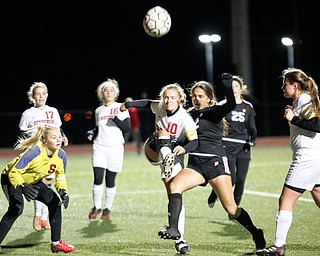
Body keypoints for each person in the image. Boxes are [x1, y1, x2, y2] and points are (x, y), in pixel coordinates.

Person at [158, 73, 266, 251]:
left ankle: (256, 233)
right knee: (174, 186)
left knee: (231, 209)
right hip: (196, 166)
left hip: (215, 163)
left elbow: (231, 104)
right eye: (194, 96)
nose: (196, 99)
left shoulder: (215, 112)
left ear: (209, 98)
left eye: (200, 96)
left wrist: (227, 85)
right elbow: (182, 138)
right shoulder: (187, 115)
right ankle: (174, 229)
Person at [120, 83, 198, 254]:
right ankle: (179, 238)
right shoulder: (160, 106)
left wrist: (184, 148)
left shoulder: (185, 118)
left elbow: (195, 141)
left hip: (175, 157)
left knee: (174, 196)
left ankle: (179, 238)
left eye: (172, 97)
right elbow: (146, 103)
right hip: (161, 151)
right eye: (166, 97)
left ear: (180, 99)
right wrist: (128, 104)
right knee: (173, 197)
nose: (168, 100)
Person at [256, 68, 320, 256]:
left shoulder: (304, 99)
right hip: (314, 157)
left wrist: (294, 118)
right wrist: (294, 117)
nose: (282, 87)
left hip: (307, 158)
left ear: (295, 85)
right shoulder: (300, 100)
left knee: (285, 200)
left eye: (285, 83)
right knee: (317, 194)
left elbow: (317, 126)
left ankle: (278, 245)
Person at [0, 125, 75, 253]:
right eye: (53, 137)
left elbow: (61, 176)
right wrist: (23, 187)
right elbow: (14, 173)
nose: (58, 140)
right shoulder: (35, 152)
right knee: (16, 209)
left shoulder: (61, 155)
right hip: (11, 178)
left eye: (59, 137)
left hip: (33, 181)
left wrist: (63, 191)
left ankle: (56, 243)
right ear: (45, 141)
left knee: (55, 202)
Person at [18, 82, 69, 231]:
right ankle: (37, 215)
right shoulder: (27, 114)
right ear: (33, 96)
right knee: (38, 182)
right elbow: (22, 133)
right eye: (37, 94)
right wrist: (29, 147)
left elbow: (58, 129)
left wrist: (63, 137)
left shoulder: (53, 111)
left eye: (43, 94)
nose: (40, 96)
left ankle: (45, 217)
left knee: (48, 182)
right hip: (36, 153)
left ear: (47, 95)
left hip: (50, 153)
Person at [207, 75, 257, 209]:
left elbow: (252, 128)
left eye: (236, 86)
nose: (234, 89)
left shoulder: (248, 107)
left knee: (240, 181)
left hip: (243, 147)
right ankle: (215, 193)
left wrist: (252, 140)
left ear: (241, 89)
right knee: (232, 180)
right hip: (227, 146)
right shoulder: (223, 105)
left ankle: (234, 211)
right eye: (231, 86)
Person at [87, 78, 130, 220]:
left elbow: (127, 128)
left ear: (116, 93)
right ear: (102, 94)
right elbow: (98, 128)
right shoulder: (98, 110)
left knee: (110, 180)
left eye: (111, 90)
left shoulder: (121, 107)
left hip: (116, 147)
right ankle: (96, 206)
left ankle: (107, 208)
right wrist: (92, 132)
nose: (109, 92)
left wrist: (116, 119)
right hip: (99, 146)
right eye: (106, 90)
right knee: (98, 178)